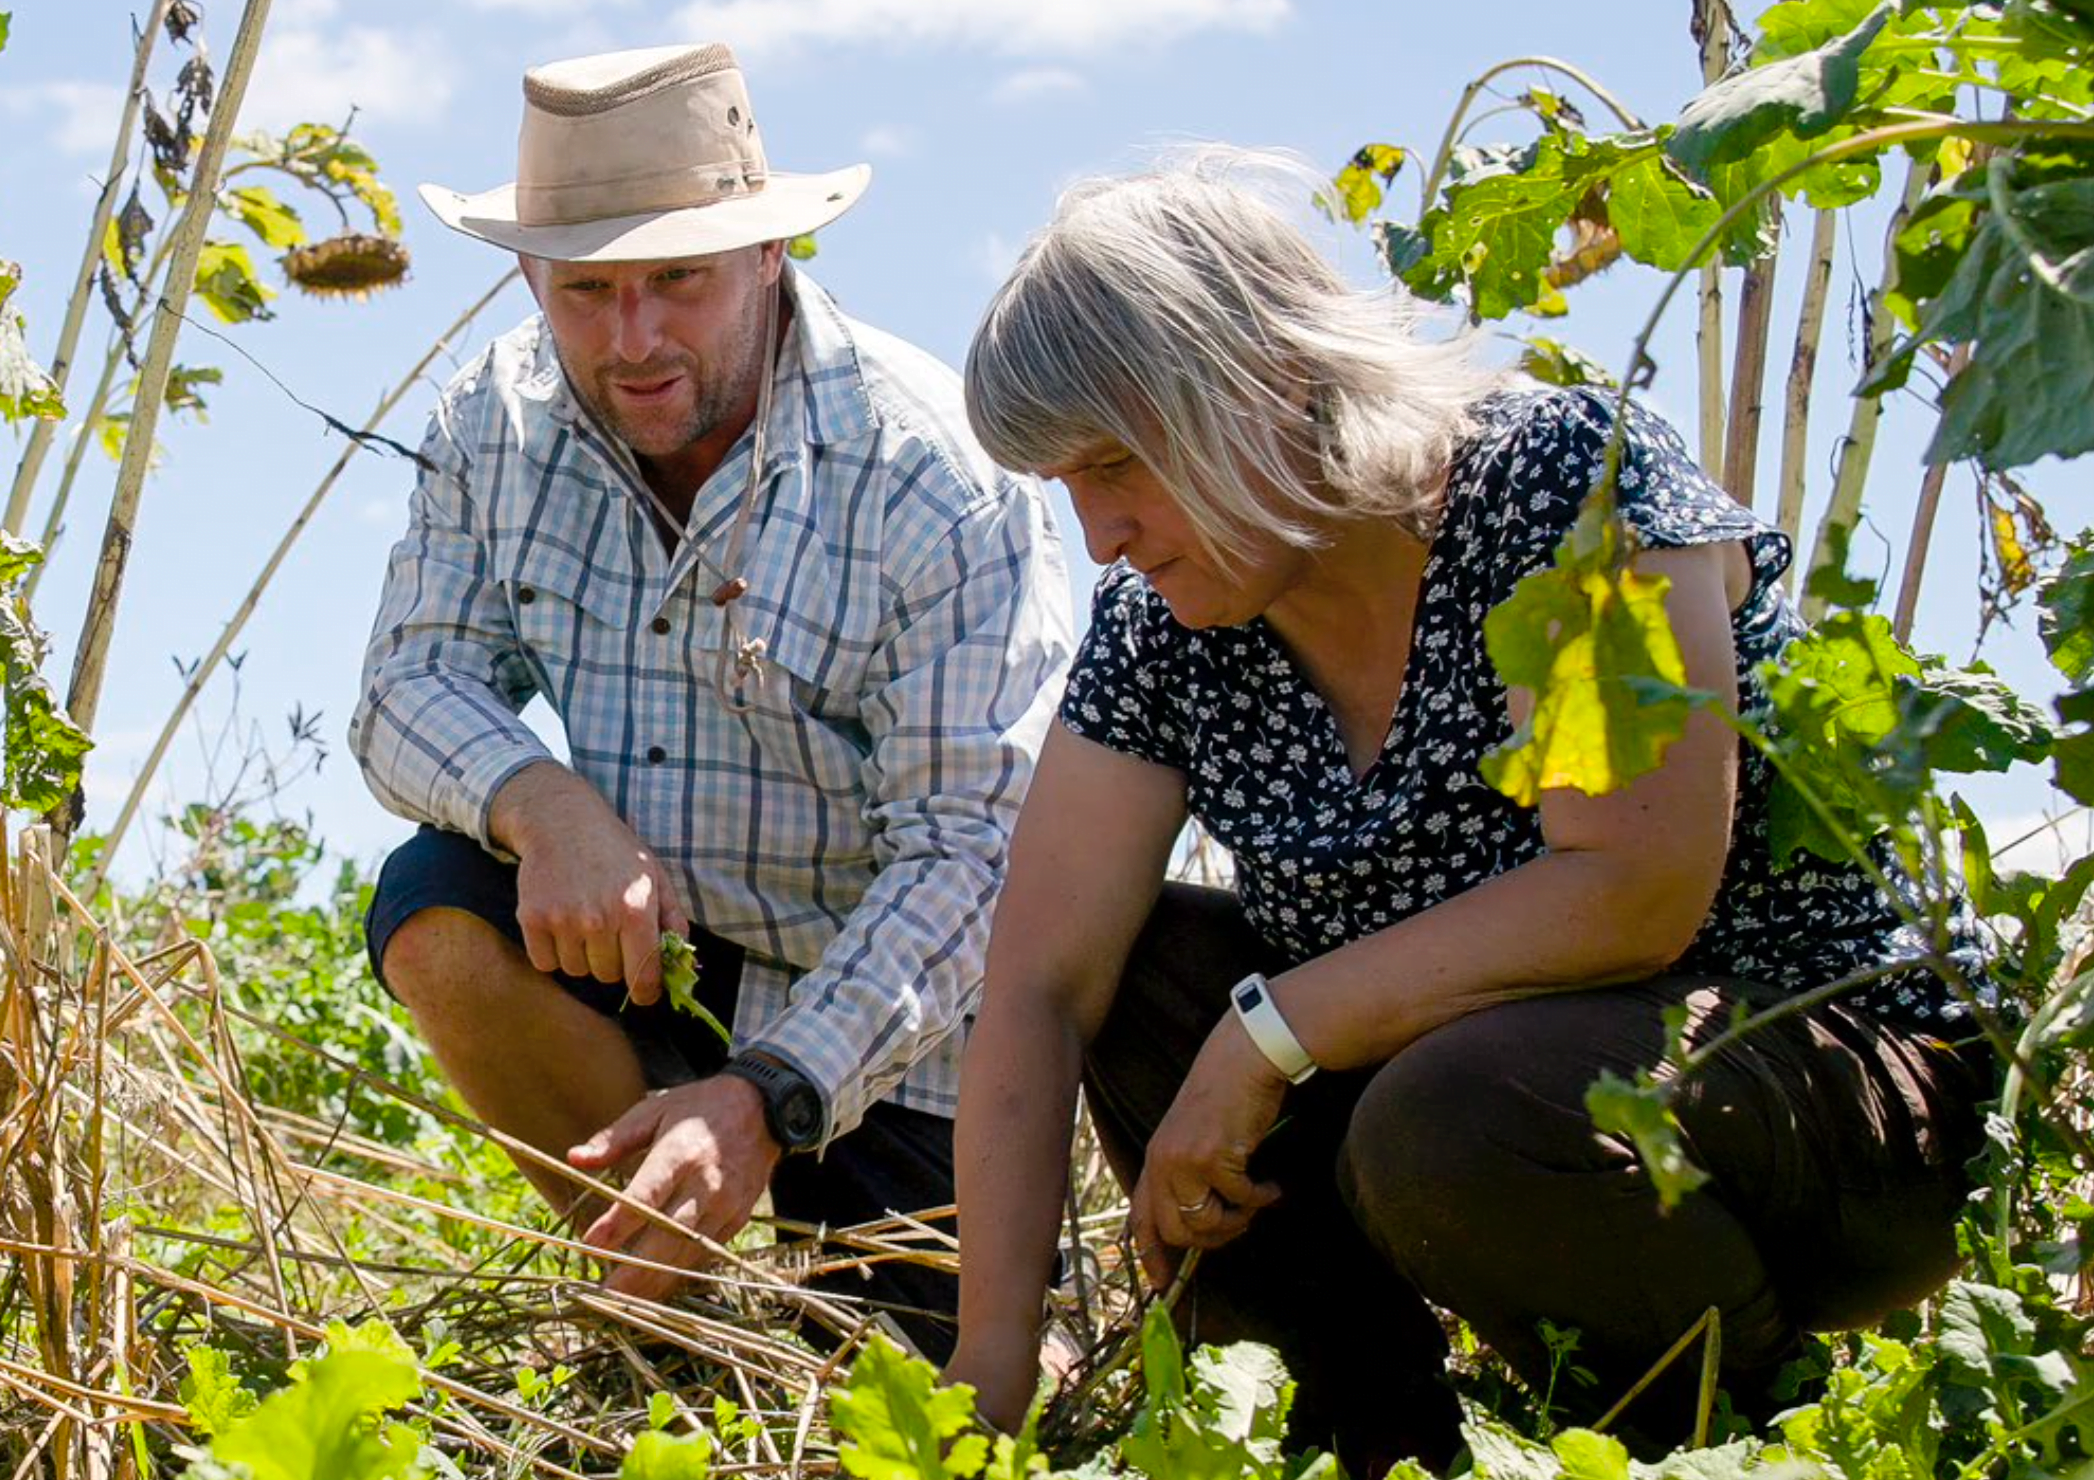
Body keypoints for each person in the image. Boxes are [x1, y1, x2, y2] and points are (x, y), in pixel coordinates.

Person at [941, 150, 1992, 1469]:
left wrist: (1262, 1039)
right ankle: (1353, 1444)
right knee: (1147, 973)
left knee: (1447, 1108)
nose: (1099, 532)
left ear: (1261, 386)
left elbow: (1632, 890)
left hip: (1827, 1095)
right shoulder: (1167, 630)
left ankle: (1704, 1431)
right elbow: (1037, 988)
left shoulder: (1559, 480)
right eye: (1066, 487)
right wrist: (981, 1387)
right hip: (1507, 1113)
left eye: (1114, 467)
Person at [348, 42, 1072, 1362]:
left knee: (936, 1405)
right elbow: (408, 681)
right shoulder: (489, 423)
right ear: (528, 278)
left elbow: (969, 857)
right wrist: (542, 801)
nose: (632, 341)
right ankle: (659, 1315)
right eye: (586, 293)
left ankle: (788, 1253)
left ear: (768, 255)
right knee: (434, 905)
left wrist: (770, 1092)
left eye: (675, 282)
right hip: (654, 962)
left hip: (884, 1025)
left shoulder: (934, 477)